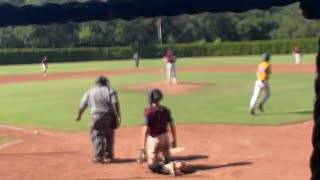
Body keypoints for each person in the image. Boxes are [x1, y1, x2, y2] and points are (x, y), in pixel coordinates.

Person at [139, 89, 192, 176]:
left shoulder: (148, 112)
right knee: (166, 160)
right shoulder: (166, 110)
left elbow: (145, 130)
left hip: (154, 139)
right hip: (165, 138)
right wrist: (174, 140)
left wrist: (142, 147)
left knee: (152, 166)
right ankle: (178, 165)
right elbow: (172, 126)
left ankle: (170, 168)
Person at [76, 75, 121, 163]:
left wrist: (79, 116)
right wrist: (117, 116)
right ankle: (109, 156)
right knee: (110, 135)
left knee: (97, 135)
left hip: (96, 117)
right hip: (109, 116)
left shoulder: (90, 92)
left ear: (97, 83)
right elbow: (115, 104)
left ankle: (99, 156)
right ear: (106, 83)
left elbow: (82, 105)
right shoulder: (110, 90)